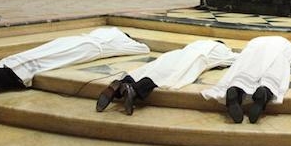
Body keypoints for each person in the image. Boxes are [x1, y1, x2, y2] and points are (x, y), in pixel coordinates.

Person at [0, 27, 150, 98]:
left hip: (73, 39)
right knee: (48, 61)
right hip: (88, 49)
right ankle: (2, 77)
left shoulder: (105, 30)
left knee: (41, 53)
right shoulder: (121, 42)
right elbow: (144, 49)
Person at [97, 40, 237, 115]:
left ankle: (121, 83)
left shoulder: (199, 42)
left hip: (175, 54)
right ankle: (134, 90)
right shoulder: (223, 50)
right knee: (165, 76)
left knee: (150, 69)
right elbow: (236, 59)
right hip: (194, 59)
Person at [202, 36, 291, 124]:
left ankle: (235, 90)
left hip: (251, 53)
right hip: (277, 55)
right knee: (272, 78)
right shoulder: (285, 43)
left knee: (243, 73)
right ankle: (265, 92)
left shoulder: (255, 40)